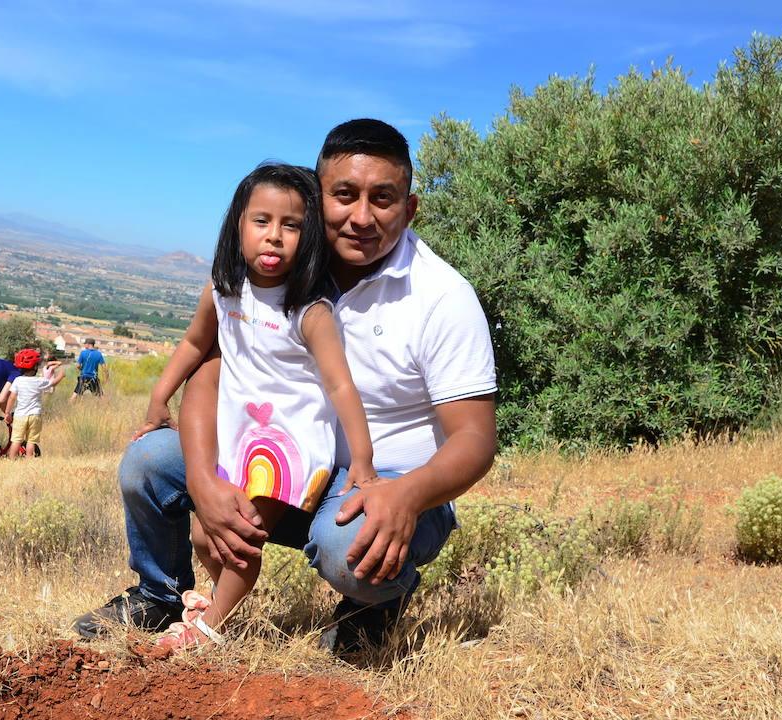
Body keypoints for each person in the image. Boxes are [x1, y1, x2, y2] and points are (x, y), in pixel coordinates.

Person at [73, 118, 498, 657]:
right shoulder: (276, 278)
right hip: (278, 456)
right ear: (317, 200)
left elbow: (476, 440)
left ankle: (374, 606)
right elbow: (211, 363)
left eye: (383, 199)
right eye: (344, 195)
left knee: (347, 544)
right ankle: (161, 593)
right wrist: (203, 478)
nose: (361, 217)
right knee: (150, 461)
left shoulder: (442, 297)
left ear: (409, 209)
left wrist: (405, 495)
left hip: (383, 486)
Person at [132, 163, 377, 652]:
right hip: (241, 433)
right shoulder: (224, 291)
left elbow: (342, 387)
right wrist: (159, 399)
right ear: (237, 225)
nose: (274, 237)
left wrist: (364, 461)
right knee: (206, 536)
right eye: (261, 221)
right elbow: (191, 345)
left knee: (242, 537)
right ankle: (216, 602)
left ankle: (206, 632)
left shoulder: (309, 311)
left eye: (292, 226)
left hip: (290, 443)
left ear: (309, 238)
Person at [5, 349, 65, 458]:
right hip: (35, 415)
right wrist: (61, 375)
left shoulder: (18, 380)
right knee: (31, 440)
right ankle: (29, 459)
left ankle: (12, 459)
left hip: (20, 416)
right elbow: (53, 383)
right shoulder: (39, 381)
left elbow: (11, 398)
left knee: (16, 440)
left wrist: (7, 413)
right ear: (35, 367)